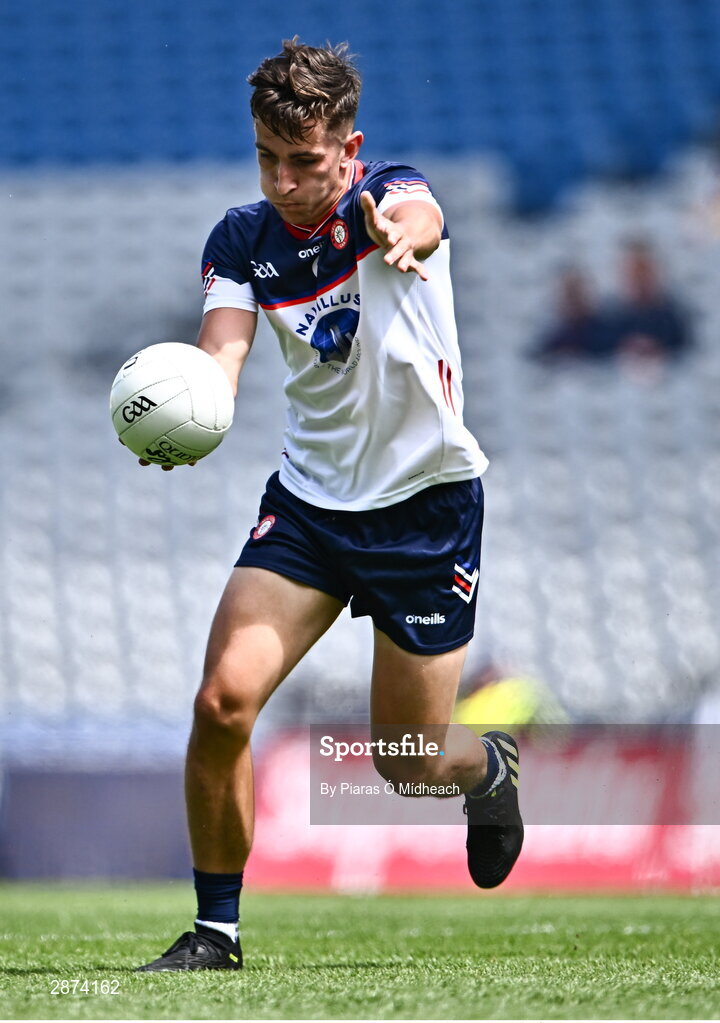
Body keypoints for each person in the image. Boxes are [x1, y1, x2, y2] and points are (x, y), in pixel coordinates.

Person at [136, 39, 523, 973]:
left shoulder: (385, 194)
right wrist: (187, 407)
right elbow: (221, 354)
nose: (283, 180)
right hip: (310, 505)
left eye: (304, 162)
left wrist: (403, 231)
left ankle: (489, 768)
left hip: (425, 509)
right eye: (267, 157)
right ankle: (216, 930)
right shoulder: (242, 238)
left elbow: (419, 216)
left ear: (348, 149)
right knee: (223, 701)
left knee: (405, 757)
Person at [610, 239, 693, 363]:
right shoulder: (608, 320)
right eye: (633, 271)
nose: (639, 277)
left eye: (644, 270)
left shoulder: (674, 319)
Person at [527, 266, 615, 363]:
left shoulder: (610, 332)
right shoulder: (556, 339)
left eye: (578, 293)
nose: (574, 300)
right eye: (568, 294)